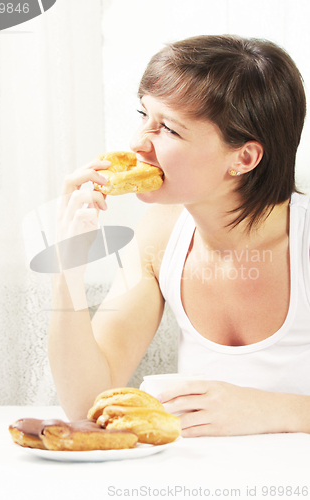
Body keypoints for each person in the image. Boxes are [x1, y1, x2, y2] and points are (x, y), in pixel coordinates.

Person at [48, 34, 310, 436]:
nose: (137, 143)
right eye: (143, 114)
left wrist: (277, 411)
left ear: (243, 158)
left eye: (168, 129)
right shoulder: (161, 236)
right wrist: (68, 267)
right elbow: (87, 403)